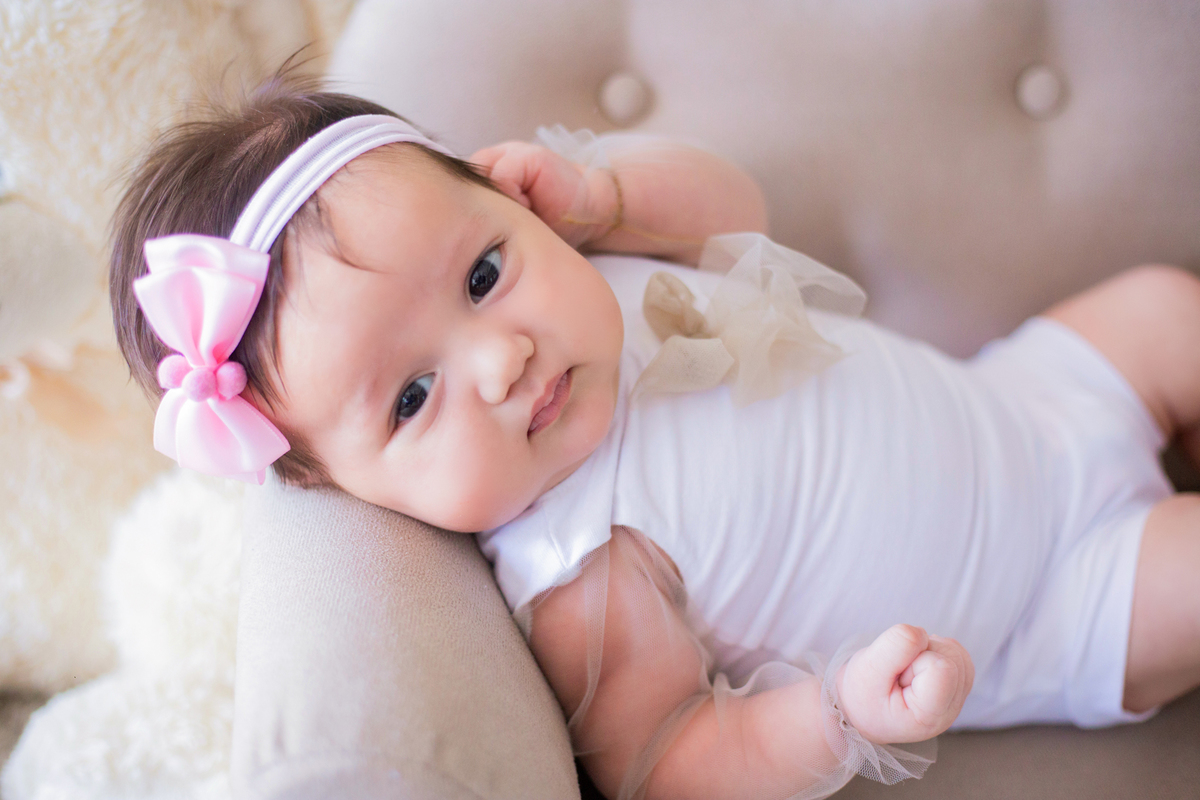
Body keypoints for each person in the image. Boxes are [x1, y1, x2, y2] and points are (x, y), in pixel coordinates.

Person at [109, 78, 1200, 800]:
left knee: (1164, 306)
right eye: (411, 399)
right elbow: (673, 753)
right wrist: (839, 711)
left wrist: (604, 188)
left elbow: (740, 211)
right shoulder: (584, 560)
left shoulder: (587, 252)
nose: (501, 360)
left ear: (509, 201)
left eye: (485, 273)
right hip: (1048, 596)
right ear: (351, 490)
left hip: (1021, 397)